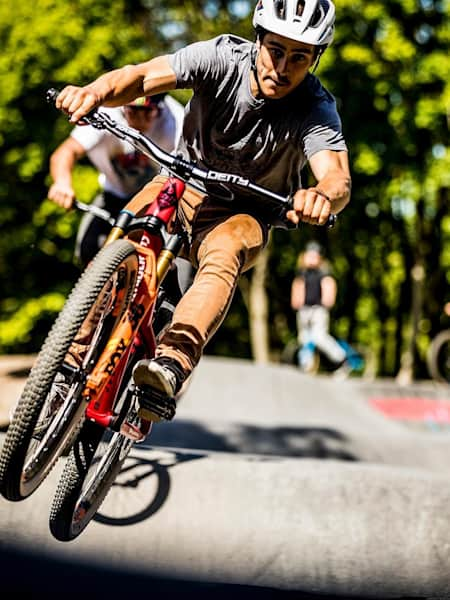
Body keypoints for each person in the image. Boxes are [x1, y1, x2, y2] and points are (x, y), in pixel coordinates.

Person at [54, 0, 352, 422]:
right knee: (128, 239)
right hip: (182, 182)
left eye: (299, 56)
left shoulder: (316, 107)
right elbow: (141, 77)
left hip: (245, 212)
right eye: (275, 49)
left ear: (315, 58)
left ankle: (170, 364)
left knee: (225, 253)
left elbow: (337, 175)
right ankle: (70, 358)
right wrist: (95, 92)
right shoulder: (220, 58)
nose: (283, 67)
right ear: (258, 40)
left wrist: (321, 195)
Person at [48, 93, 185, 266]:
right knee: (87, 249)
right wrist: (62, 183)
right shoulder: (105, 113)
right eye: (133, 112)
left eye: (147, 112)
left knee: (174, 260)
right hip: (114, 196)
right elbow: (66, 152)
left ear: (160, 109)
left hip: (158, 201)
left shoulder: (177, 122)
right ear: (123, 108)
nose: (140, 119)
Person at [290, 240, 348, 373]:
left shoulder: (324, 273)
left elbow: (329, 286)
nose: (310, 259)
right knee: (304, 338)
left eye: (314, 256)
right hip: (304, 310)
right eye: (308, 256)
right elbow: (298, 287)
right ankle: (306, 365)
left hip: (318, 310)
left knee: (319, 337)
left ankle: (341, 358)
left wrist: (327, 302)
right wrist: (296, 301)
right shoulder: (302, 273)